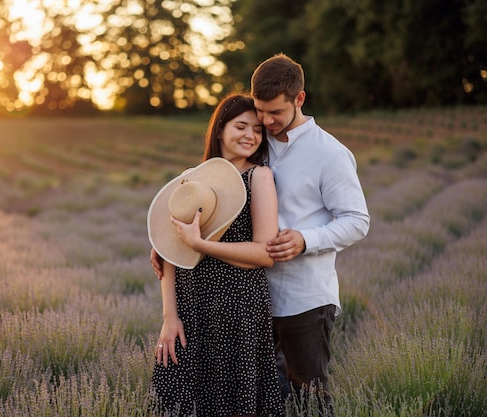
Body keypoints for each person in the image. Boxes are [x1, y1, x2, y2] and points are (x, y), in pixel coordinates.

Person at [147, 93, 284, 417]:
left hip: (238, 307)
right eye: (241, 126)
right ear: (220, 129)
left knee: (232, 403)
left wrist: (200, 245)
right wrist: (169, 317)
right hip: (190, 303)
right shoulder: (193, 178)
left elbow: (265, 253)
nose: (250, 135)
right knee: (179, 399)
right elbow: (169, 253)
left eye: (257, 129)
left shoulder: (259, 176)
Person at [250, 53, 370, 414]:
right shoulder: (253, 140)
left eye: (276, 113)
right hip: (251, 292)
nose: (266, 121)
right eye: (260, 110)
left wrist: (306, 239)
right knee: (255, 396)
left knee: (310, 400)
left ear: (299, 99)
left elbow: (357, 220)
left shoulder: (330, 154)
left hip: (305, 300)